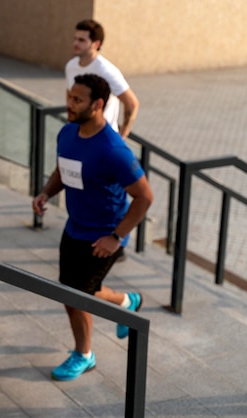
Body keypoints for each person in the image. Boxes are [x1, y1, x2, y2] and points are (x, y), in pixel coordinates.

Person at [32, 73, 153, 381]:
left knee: (76, 297)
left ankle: (84, 355)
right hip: (74, 227)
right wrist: (47, 192)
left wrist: (116, 237)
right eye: (69, 96)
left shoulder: (114, 150)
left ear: (98, 105)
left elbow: (144, 197)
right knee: (77, 291)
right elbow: (64, 169)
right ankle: (128, 302)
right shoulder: (67, 133)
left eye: (77, 99)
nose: (69, 104)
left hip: (103, 236)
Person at [65, 19, 139, 139]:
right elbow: (70, 95)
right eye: (75, 39)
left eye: (82, 40)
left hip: (103, 138)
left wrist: (122, 137)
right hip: (78, 134)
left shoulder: (107, 71)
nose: (76, 43)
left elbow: (131, 103)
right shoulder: (70, 66)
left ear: (96, 44)